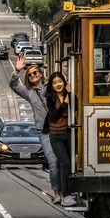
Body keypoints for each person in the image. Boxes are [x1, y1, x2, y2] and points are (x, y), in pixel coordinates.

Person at [8, 53, 60, 203]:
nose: (32, 76)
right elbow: (14, 85)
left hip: (59, 127)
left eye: (35, 73)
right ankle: (57, 192)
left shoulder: (51, 86)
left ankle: (66, 191)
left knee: (64, 160)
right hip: (43, 131)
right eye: (30, 75)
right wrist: (17, 70)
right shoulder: (29, 93)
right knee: (53, 160)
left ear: (41, 73)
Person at [43, 70, 76, 207]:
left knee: (71, 164)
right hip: (55, 135)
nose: (58, 85)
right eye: (55, 82)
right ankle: (66, 195)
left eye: (60, 81)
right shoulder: (50, 97)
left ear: (64, 82)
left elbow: (77, 106)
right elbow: (54, 115)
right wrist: (65, 103)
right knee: (65, 163)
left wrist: (69, 93)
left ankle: (69, 192)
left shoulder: (69, 95)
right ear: (51, 85)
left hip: (68, 133)